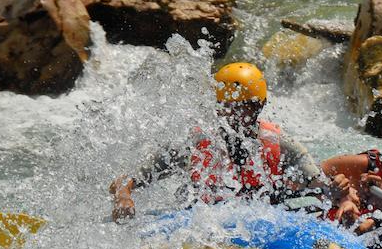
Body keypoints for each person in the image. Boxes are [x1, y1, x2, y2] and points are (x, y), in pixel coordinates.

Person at [110, 62, 355, 221]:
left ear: (260, 107)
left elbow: (318, 183)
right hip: (200, 222)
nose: (236, 115)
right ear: (217, 108)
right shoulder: (193, 144)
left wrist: (339, 195)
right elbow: (127, 180)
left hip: (259, 228)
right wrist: (123, 196)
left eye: (246, 108)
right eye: (229, 107)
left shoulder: (280, 145)